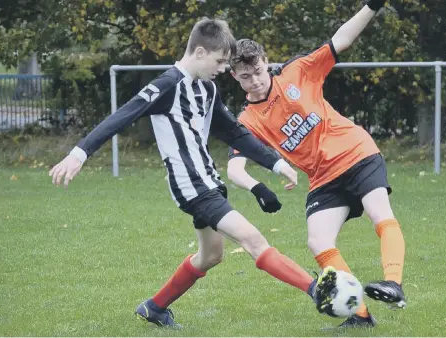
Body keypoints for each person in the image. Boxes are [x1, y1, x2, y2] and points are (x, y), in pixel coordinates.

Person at [49, 17, 336, 328]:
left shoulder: (208, 90)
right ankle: (317, 289)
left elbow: (235, 133)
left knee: (211, 255)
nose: (224, 68)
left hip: (210, 181)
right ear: (200, 52)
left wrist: (277, 164)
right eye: (220, 61)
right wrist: (79, 154)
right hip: (192, 187)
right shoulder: (166, 86)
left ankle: (154, 308)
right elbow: (122, 116)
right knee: (254, 240)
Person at [226, 0, 406, 328]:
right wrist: (257, 187)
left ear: (266, 62)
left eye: (258, 72)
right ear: (234, 76)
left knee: (380, 213)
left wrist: (372, 6)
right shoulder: (247, 120)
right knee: (318, 241)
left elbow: (341, 39)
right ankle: (359, 316)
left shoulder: (298, 72)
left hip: (356, 153)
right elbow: (234, 169)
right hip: (323, 178)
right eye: (245, 77)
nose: (254, 81)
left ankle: (393, 283)